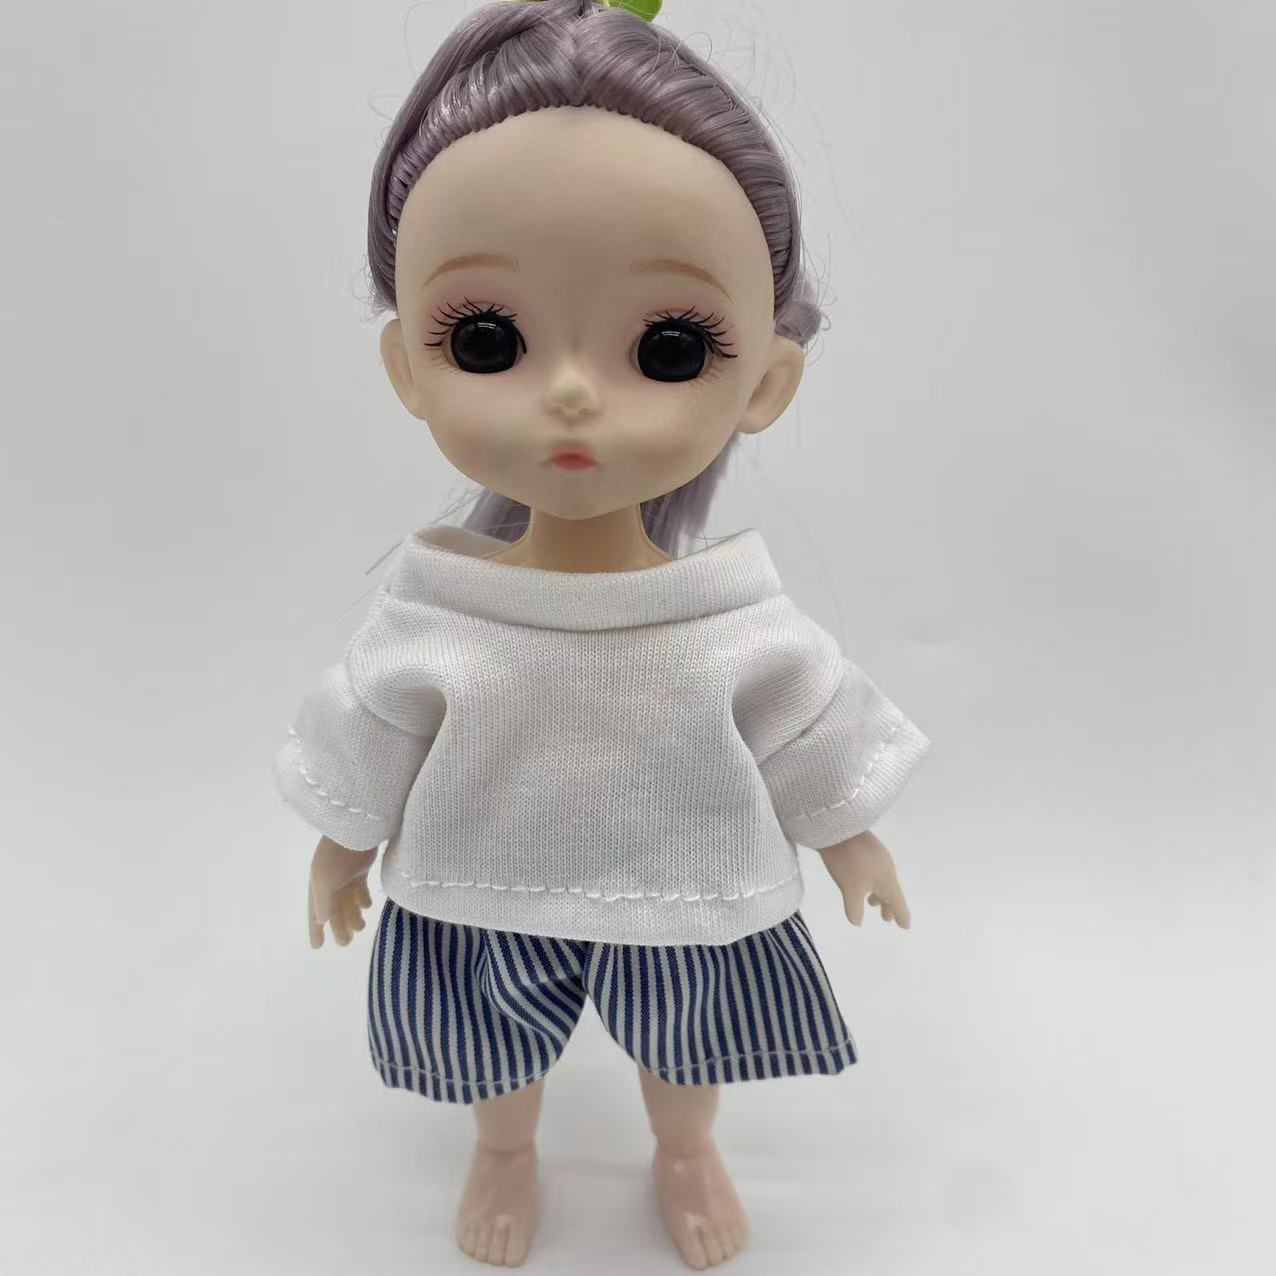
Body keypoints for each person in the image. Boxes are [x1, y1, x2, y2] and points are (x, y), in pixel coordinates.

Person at [273, 2, 929, 1267]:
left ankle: (683, 1150)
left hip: (687, 875)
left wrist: (850, 836)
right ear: (407, 368)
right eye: (487, 339)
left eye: (668, 347)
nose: (572, 392)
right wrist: (340, 845)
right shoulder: (439, 608)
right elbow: (372, 725)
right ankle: (505, 1150)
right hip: (479, 879)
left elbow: (804, 721)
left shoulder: (726, 616)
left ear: (764, 381)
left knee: (686, 1049)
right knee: (494, 1050)